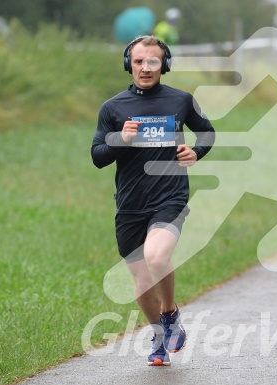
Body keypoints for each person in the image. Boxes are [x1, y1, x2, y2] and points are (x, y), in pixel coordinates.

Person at [91, 36, 215, 366]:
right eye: (139, 61)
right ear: (128, 64)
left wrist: (196, 151)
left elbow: (207, 131)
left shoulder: (182, 100)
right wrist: (122, 140)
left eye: (153, 62)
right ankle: (159, 337)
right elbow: (98, 157)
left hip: (170, 196)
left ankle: (170, 312)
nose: (146, 68)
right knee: (141, 280)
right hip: (130, 203)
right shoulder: (113, 108)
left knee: (156, 257)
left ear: (165, 64)